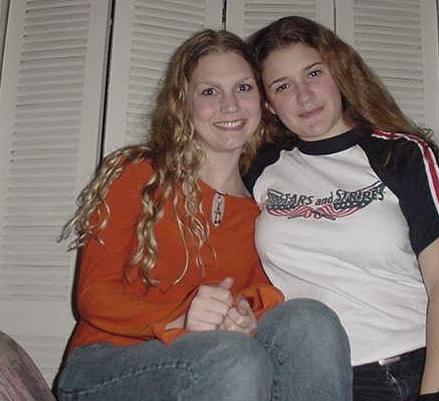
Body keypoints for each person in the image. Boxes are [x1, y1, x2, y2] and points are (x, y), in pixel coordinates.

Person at [55, 29, 352, 401]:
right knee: (234, 358)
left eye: (243, 88)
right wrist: (178, 318)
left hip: (218, 359)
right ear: (183, 103)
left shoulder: (265, 211)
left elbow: (262, 294)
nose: (230, 105)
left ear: (263, 102)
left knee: (310, 320)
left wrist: (243, 314)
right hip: (105, 364)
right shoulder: (137, 174)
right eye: (210, 92)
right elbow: (94, 295)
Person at [245, 16, 439, 401]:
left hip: (423, 366)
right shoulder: (259, 169)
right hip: (323, 378)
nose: (304, 95)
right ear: (269, 105)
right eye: (282, 86)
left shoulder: (403, 154)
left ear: (339, 73)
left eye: (314, 73)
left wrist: (435, 393)